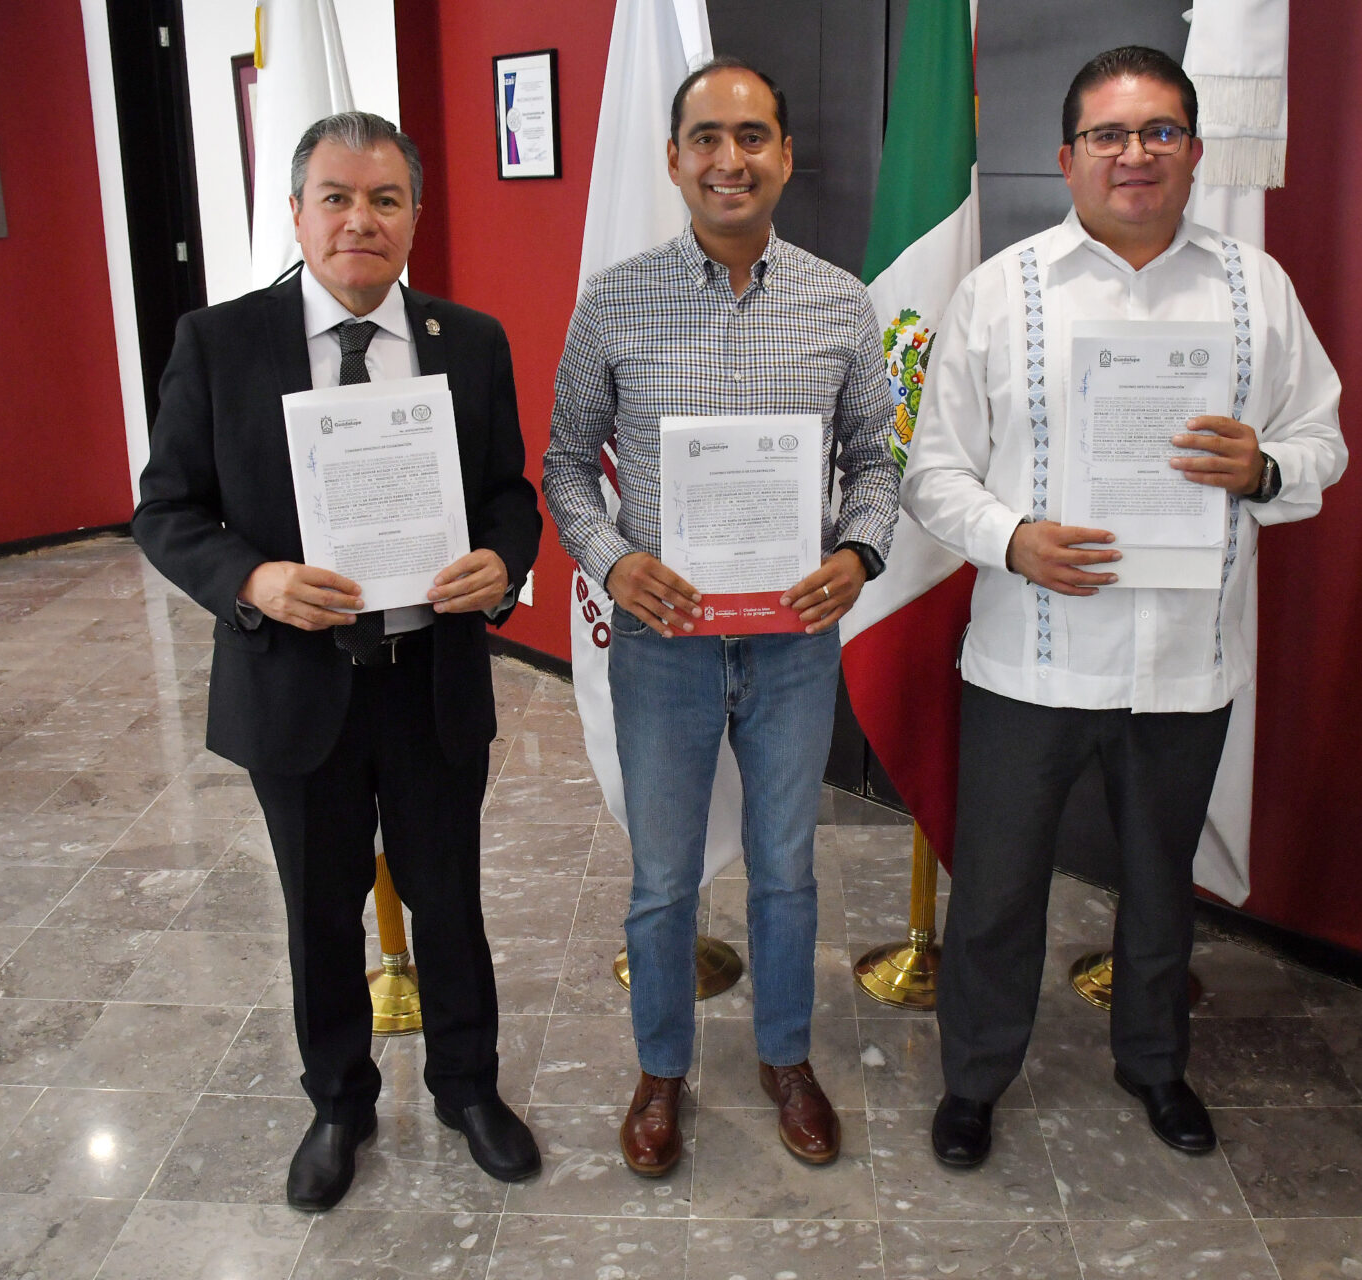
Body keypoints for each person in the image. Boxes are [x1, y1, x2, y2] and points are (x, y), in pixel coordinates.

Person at [901, 46, 1347, 1166]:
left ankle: (1154, 1064)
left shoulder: (1257, 288)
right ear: (1068, 159)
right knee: (999, 889)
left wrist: (1265, 469)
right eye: (1108, 135)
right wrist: (1013, 538)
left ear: (1194, 151)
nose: (1134, 154)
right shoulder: (1000, 293)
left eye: (1159, 132)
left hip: (1188, 656)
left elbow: (1322, 440)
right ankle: (975, 1079)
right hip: (1032, 657)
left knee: (1161, 887)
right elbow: (933, 471)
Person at [132, 112, 543, 1210]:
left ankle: (467, 1087)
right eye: (337, 197)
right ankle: (338, 1103)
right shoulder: (220, 343)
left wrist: (503, 558)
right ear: (297, 213)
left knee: (448, 897)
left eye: (385, 199)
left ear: (415, 214)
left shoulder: (471, 341)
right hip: (295, 685)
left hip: (429, 680)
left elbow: (509, 491)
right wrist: (253, 580)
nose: (361, 219)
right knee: (319, 911)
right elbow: (165, 511)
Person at [543, 58, 898, 1177]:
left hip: (794, 643)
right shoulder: (615, 300)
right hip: (664, 645)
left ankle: (786, 1058)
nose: (729, 159)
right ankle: (662, 1069)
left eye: (752, 137)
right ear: (673, 158)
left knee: (787, 868)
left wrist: (858, 552)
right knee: (664, 879)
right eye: (706, 137)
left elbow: (876, 461)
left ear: (785, 156)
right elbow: (564, 464)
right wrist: (613, 560)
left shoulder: (840, 302)